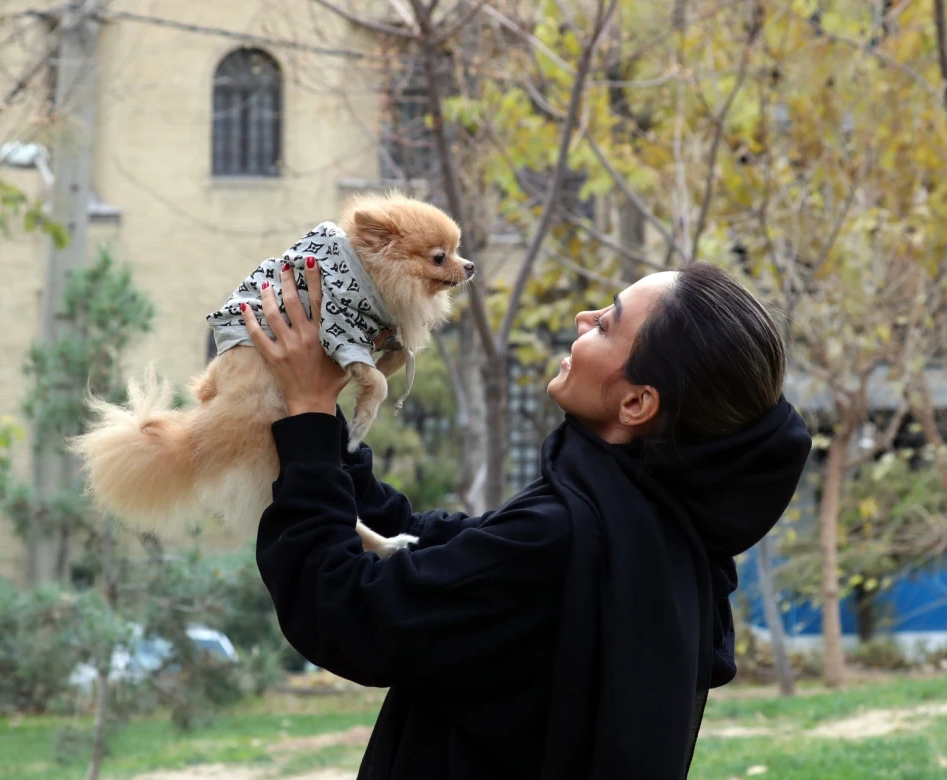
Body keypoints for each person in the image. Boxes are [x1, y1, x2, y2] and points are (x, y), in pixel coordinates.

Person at [242, 261, 812, 780]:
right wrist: (317, 424)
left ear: (637, 404)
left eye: (608, 325)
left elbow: (345, 609)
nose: (583, 318)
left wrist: (312, 417)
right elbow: (437, 548)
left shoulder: (566, 538)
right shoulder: (650, 528)